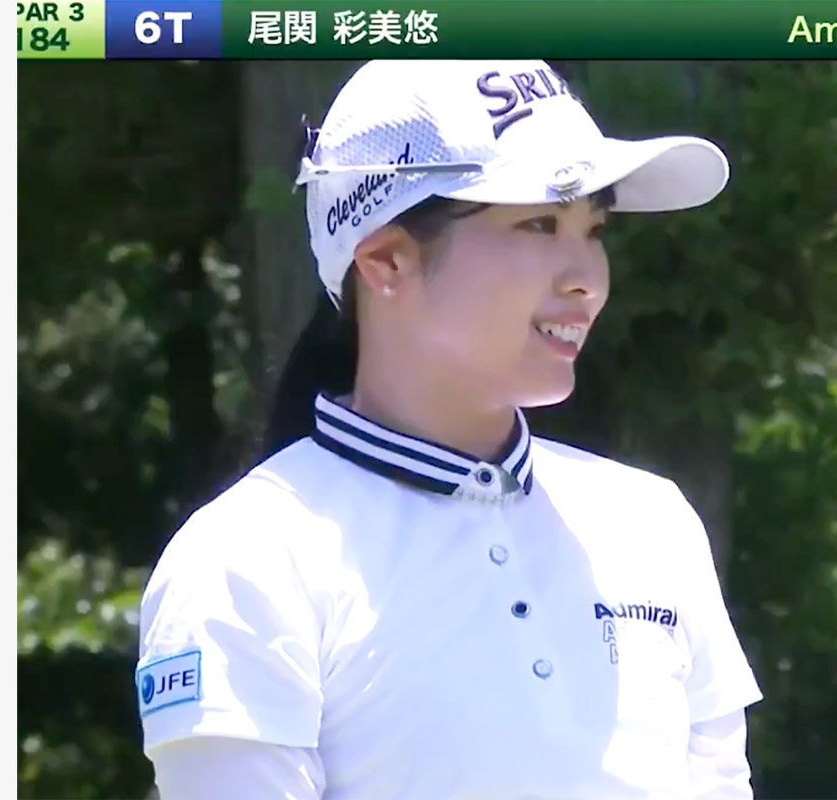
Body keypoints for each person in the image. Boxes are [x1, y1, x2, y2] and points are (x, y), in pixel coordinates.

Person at [135, 59, 763, 800]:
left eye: (593, 229)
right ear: (386, 261)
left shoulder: (652, 521)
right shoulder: (245, 557)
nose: (587, 279)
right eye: (539, 222)